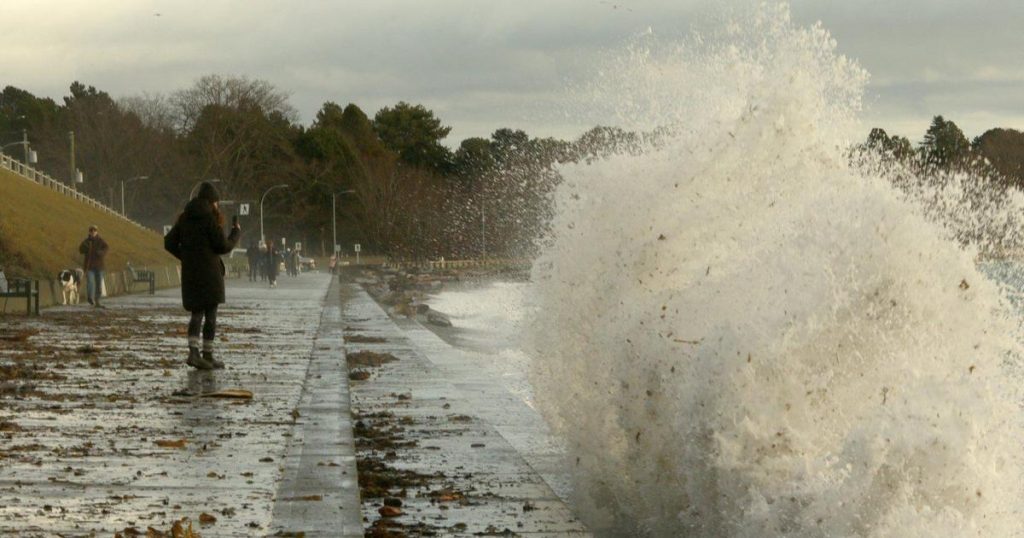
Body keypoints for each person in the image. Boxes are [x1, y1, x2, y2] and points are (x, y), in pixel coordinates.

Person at [163, 182, 240, 370]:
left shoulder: (184, 217)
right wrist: (235, 233)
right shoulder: (209, 219)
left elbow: (169, 242)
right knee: (211, 315)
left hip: (191, 273)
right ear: (212, 202)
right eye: (217, 203)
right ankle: (207, 354)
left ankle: (194, 353)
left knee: (196, 313)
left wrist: (186, 257)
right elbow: (222, 246)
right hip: (210, 274)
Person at [78, 225, 109, 308]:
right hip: (89, 266)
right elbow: (80, 250)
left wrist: (100, 253)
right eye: (91, 231)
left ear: (97, 231)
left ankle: (97, 300)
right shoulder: (86, 241)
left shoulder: (100, 241)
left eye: (94, 230)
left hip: (99, 266)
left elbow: (106, 248)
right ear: (89, 232)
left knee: (99, 284)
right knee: (90, 282)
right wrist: (85, 248)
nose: (93, 232)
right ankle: (90, 298)